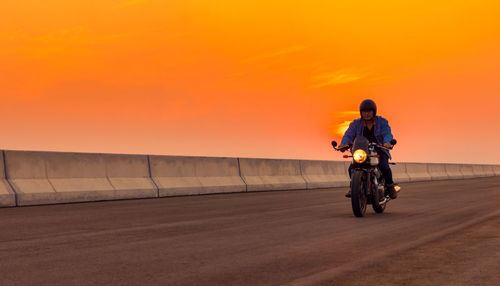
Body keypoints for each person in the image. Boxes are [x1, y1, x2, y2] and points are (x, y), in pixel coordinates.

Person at [338, 99, 398, 199]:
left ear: (374, 112)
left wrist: (387, 143)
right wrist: (343, 144)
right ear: (361, 112)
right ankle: (354, 187)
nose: (366, 114)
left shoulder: (382, 122)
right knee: (351, 168)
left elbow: (387, 133)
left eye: (369, 111)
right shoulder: (356, 124)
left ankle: (390, 186)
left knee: (384, 166)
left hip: (379, 150)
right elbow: (348, 134)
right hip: (362, 151)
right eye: (364, 111)